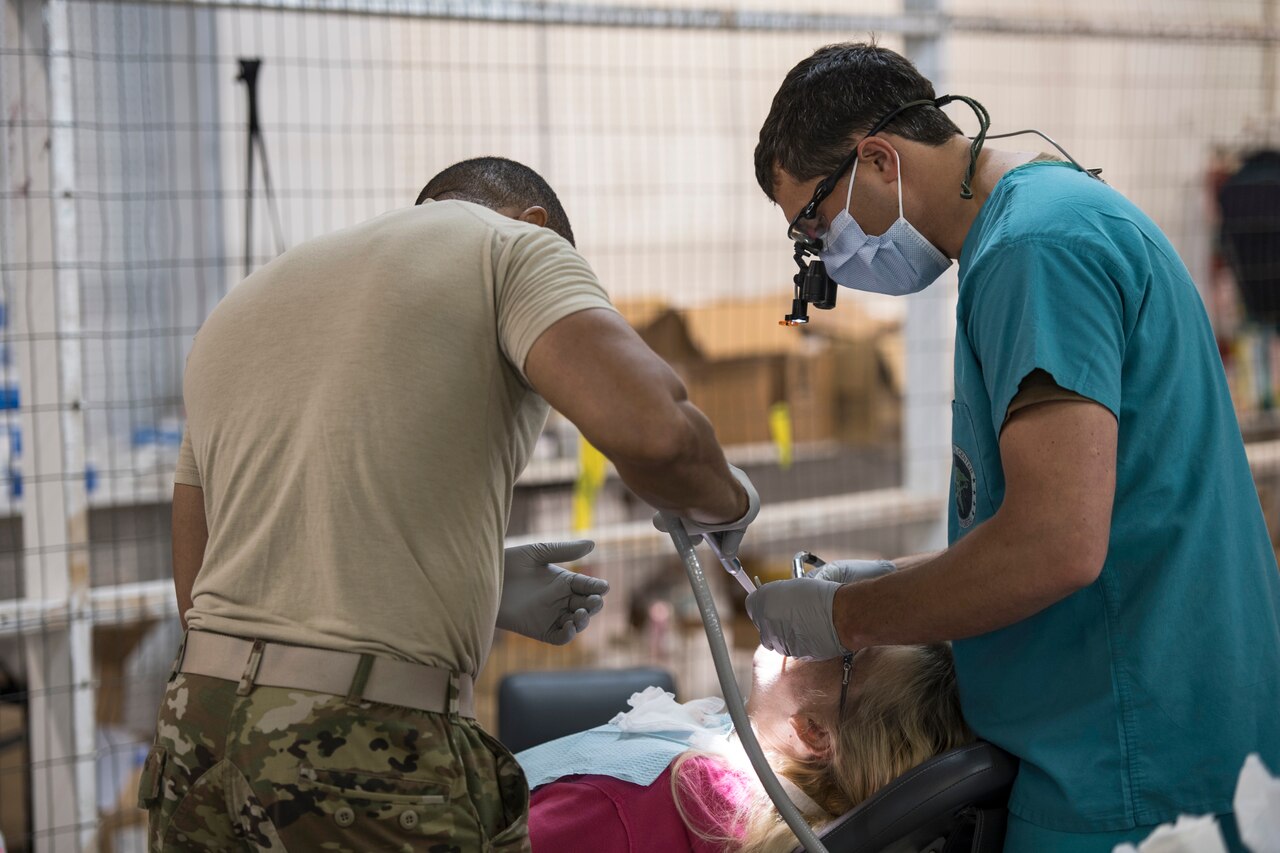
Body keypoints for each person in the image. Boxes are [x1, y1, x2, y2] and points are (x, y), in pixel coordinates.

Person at [743, 43, 1280, 852]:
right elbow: (1048, 514)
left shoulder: (1036, 251)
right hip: (1134, 738)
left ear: (880, 159)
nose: (828, 266)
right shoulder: (1038, 227)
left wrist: (847, 616)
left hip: (1132, 772)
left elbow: (1055, 544)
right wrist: (890, 579)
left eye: (818, 227)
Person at [139, 156, 760, 851]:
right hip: (357, 750)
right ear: (538, 224)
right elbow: (660, 438)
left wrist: (474, 583)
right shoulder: (514, 248)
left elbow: (203, 582)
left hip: (198, 733)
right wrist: (729, 504)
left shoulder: (243, 304)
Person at [521, 643, 972, 853]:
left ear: (813, 734)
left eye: (851, 651)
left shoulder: (629, 806)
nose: (830, 630)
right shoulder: (754, 794)